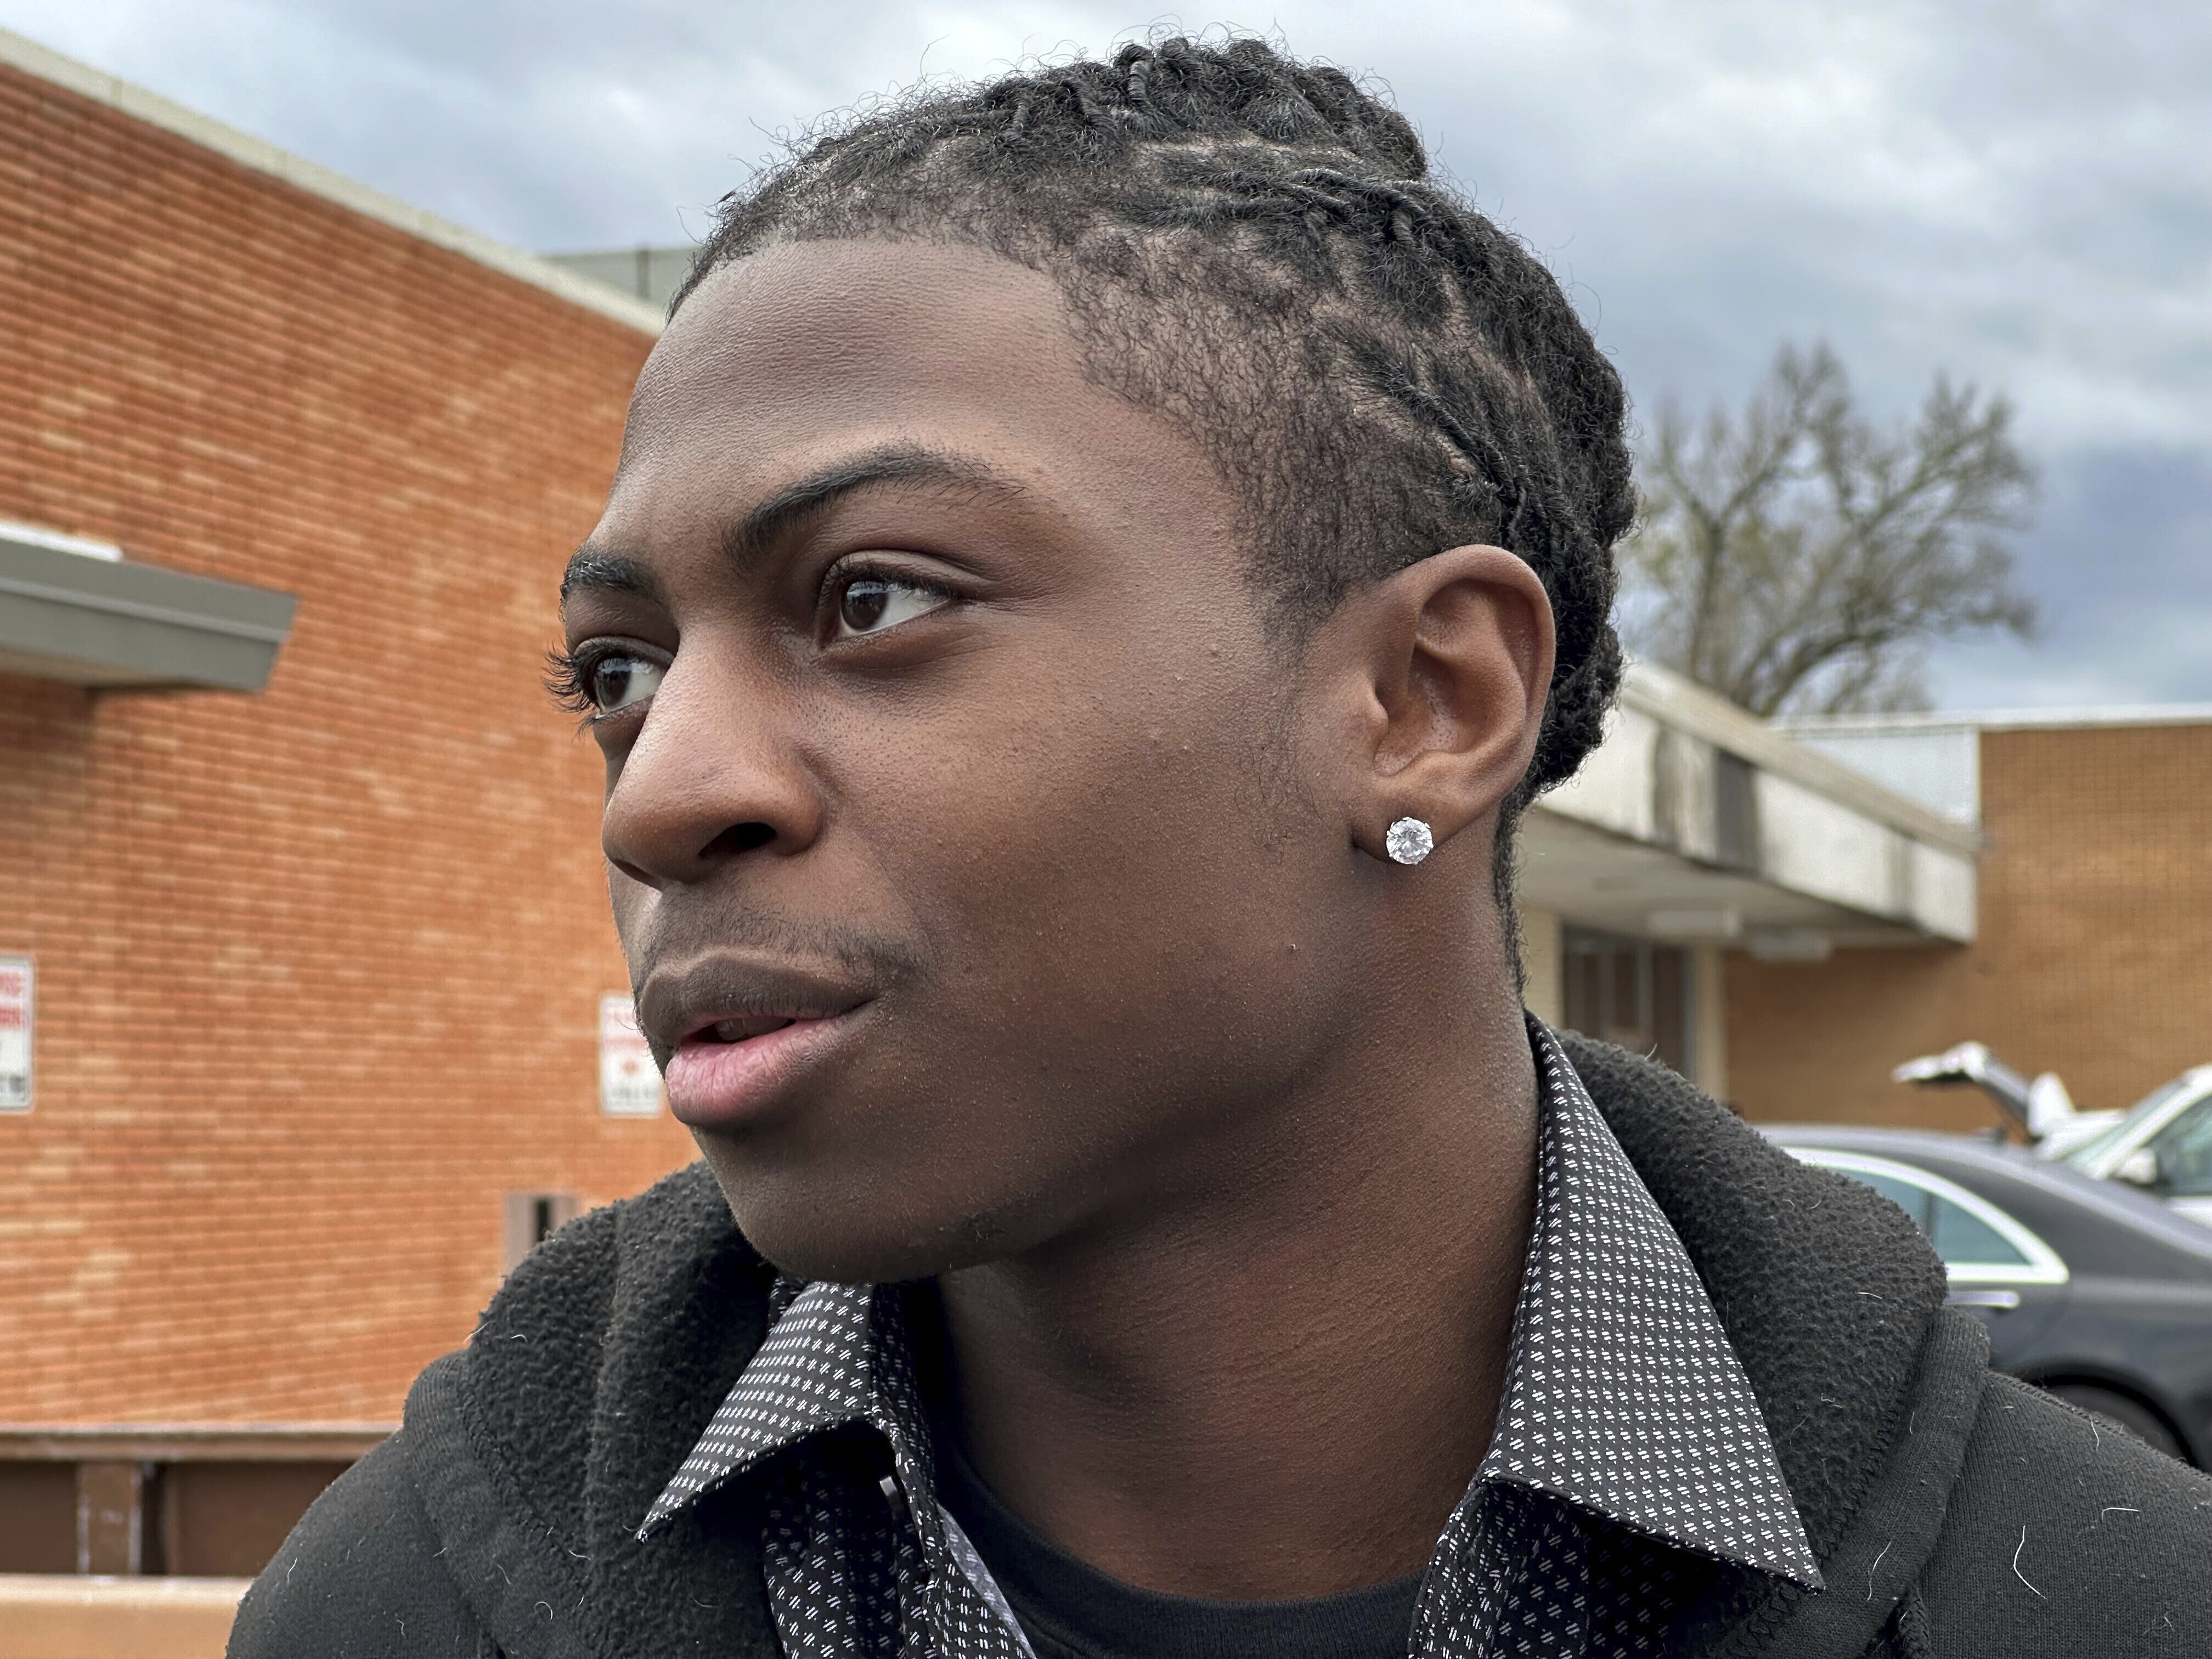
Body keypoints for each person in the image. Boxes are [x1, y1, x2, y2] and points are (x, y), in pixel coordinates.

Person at [230, 36, 2208, 1659]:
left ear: (1429, 699)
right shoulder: (412, 1604)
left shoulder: (2107, 1601)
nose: (659, 788)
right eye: (616, 668)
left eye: (873, 603)